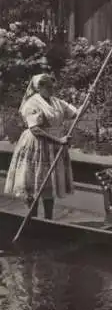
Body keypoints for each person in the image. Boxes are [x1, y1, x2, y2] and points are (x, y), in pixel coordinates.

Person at [4, 73, 91, 219]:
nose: (52, 89)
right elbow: (35, 129)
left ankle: (48, 220)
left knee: (49, 184)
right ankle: (32, 218)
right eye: (48, 87)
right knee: (33, 183)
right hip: (37, 145)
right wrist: (59, 140)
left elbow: (76, 114)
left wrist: (88, 99)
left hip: (54, 145)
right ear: (39, 88)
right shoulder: (31, 103)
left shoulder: (57, 102)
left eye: (52, 86)